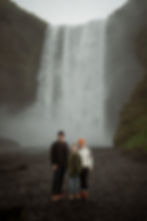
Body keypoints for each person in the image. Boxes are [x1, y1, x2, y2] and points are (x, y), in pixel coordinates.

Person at [50, 131, 69, 201]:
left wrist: (68, 164)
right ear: (58, 136)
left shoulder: (65, 144)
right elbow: (52, 155)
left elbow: (67, 155)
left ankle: (59, 193)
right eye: (59, 136)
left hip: (64, 165)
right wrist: (53, 164)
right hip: (57, 165)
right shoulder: (55, 144)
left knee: (61, 179)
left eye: (62, 136)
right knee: (56, 180)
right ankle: (54, 194)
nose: (60, 137)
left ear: (63, 136)